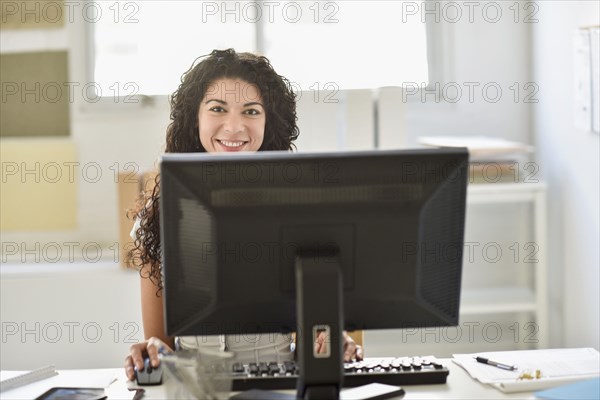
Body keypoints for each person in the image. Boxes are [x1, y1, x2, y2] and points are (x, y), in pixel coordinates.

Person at [124, 49, 363, 381]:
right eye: (217, 109)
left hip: (279, 383)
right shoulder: (160, 215)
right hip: (195, 387)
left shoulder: (302, 210)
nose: (234, 127)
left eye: (251, 111)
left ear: (269, 121)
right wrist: (149, 350)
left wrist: (332, 342)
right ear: (195, 119)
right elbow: (160, 342)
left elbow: (315, 332)